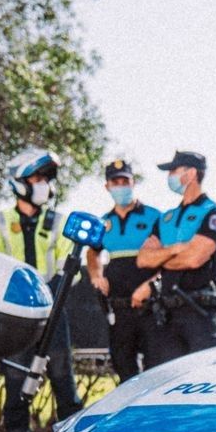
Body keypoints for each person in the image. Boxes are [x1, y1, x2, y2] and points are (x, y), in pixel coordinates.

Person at [0, 147, 82, 432]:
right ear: (20, 183)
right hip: (16, 318)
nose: (44, 185)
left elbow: (72, 267)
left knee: (63, 380)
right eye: (37, 178)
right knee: (15, 380)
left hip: (55, 312)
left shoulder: (60, 222)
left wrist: (53, 292)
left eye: (46, 179)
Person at [136, 150, 216, 367]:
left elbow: (195, 258)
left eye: (173, 171)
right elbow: (143, 259)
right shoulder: (166, 218)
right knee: (168, 380)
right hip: (168, 312)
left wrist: (162, 257)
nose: (170, 176)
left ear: (191, 173)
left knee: (205, 377)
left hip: (200, 310)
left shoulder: (213, 213)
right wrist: (178, 249)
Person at [84, 160, 159, 382]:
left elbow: (167, 257)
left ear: (133, 182)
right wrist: (96, 276)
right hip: (119, 308)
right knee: (124, 366)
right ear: (107, 186)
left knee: (156, 368)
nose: (120, 186)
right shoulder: (104, 222)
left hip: (150, 308)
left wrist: (151, 285)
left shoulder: (155, 217)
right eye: (115, 181)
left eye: (124, 181)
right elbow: (92, 252)